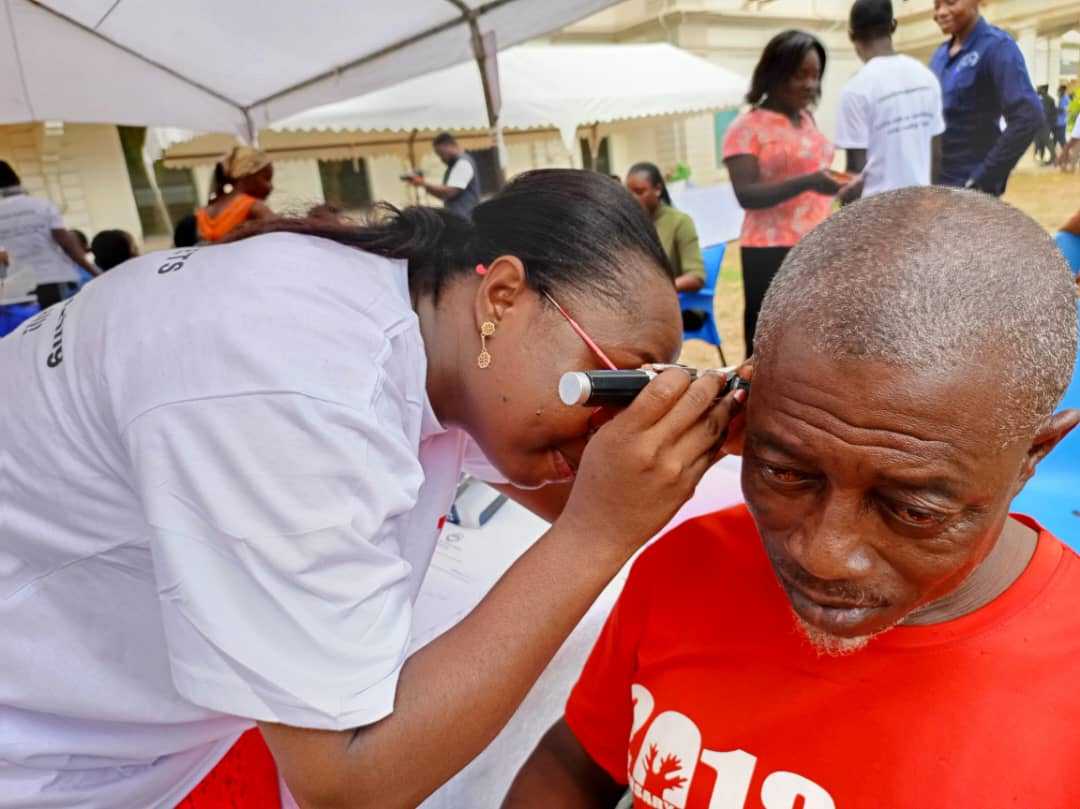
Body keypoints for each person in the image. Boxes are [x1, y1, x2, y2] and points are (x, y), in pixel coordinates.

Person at [0, 169, 744, 808]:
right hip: (42, 745)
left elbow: (596, 486)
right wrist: (595, 538)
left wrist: (734, 428)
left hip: (133, 719)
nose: (614, 425)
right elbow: (348, 780)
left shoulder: (431, 330)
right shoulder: (298, 377)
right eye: (613, 383)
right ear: (502, 295)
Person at [504, 186, 1080, 809]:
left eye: (914, 511)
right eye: (786, 474)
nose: (822, 556)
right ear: (744, 409)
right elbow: (576, 760)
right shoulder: (686, 566)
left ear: (1033, 456)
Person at [723, 30, 845, 358]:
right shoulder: (746, 128)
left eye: (815, 76)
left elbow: (816, 173)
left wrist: (842, 185)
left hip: (817, 243)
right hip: (770, 250)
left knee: (816, 338)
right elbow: (746, 194)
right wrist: (808, 182)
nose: (809, 84)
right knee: (768, 344)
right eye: (799, 75)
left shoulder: (806, 119)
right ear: (774, 73)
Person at [836, 0, 945, 202]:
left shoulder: (855, 89)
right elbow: (936, 154)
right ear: (893, 25)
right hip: (919, 206)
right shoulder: (926, 77)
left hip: (876, 212)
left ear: (851, 35)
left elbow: (855, 173)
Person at [930, 0, 1042, 195]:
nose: (941, 12)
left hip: (968, 194)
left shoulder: (997, 47)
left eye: (950, 2)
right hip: (937, 188)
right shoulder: (939, 56)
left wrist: (982, 179)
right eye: (936, 5)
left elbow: (1028, 116)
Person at [0, 160, 99, 308]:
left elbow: (3, 257)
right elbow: (65, 242)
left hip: (20, 288)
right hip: (54, 278)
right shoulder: (41, 205)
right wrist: (93, 271)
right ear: (17, 179)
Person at [625, 162, 708, 331]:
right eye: (628, 193)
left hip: (675, 305)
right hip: (635, 304)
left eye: (639, 192)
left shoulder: (679, 222)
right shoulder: (628, 224)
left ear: (657, 189)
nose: (632, 199)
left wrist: (656, 290)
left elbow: (696, 277)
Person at [194, 145, 275, 242]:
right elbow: (282, 230)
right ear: (247, 175)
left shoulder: (202, 214)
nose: (271, 186)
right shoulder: (253, 207)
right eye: (267, 178)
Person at [404, 132, 482, 219]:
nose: (441, 158)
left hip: (465, 219)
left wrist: (422, 183)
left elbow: (449, 192)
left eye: (441, 154)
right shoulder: (456, 164)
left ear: (449, 146)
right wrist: (422, 184)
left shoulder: (463, 163)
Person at [1037, 85, 1060, 165]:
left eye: (1039, 89)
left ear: (1044, 90)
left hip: (1045, 124)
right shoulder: (1046, 99)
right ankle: (1048, 158)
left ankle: (1054, 158)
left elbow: (1045, 113)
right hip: (1047, 123)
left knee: (1047, 140)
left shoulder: (1047, 100)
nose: (1037, 90)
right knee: (1043, 141)